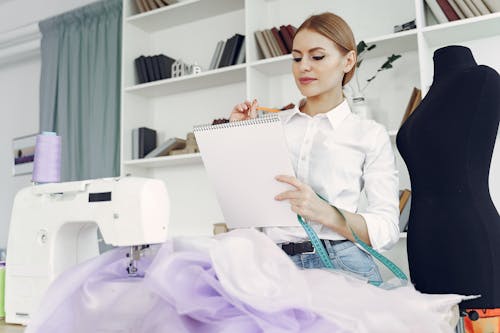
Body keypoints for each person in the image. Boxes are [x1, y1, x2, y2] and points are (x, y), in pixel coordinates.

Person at [229, 12, 400, 283]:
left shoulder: (369, 134)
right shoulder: (271, 125)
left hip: (342, 264)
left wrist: (325, 212)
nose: (303, 67)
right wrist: (239, 137)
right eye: (297, 58)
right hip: (274, 265)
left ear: (348, 60)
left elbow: (387, 229)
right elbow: (244, 208)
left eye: (317, 57)